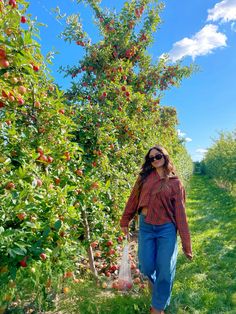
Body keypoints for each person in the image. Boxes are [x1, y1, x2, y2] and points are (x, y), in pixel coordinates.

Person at [119, 144, 193, 314]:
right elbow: (133, 200)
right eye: (151, 158)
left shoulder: (175, 183)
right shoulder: (144, 178)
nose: (154, 160)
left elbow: (181, 215)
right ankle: (157, 289)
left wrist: (186, 245)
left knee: (165, 269)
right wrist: (125, 220)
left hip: (166, 228)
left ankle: (157, 307)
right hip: (146, 227)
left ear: (165, 157)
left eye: (157, 156)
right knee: (145, 266)